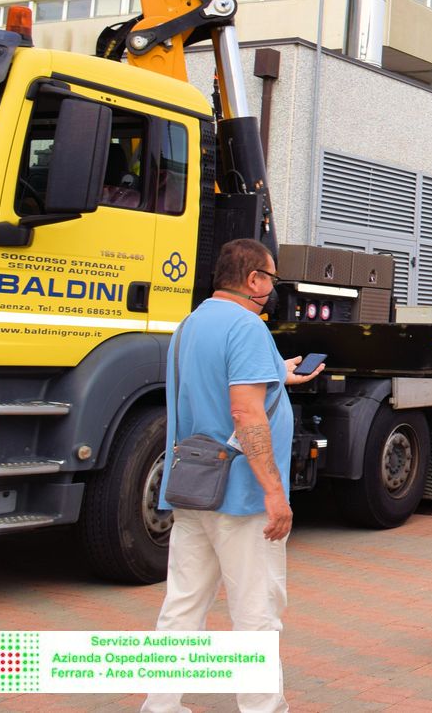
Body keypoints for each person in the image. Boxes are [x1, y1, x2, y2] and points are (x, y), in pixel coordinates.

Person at [142, 238, 324, 713]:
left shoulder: (190, 324)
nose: (273, 288)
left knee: (182, 607)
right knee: (256, 614)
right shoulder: (247, 327)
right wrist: (274, 493)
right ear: (253, 279)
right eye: (271, 278)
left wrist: (277, 373)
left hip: (192, 488)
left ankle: (160, 706)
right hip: (241, 498)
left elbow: (215, 382)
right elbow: (245, 414)